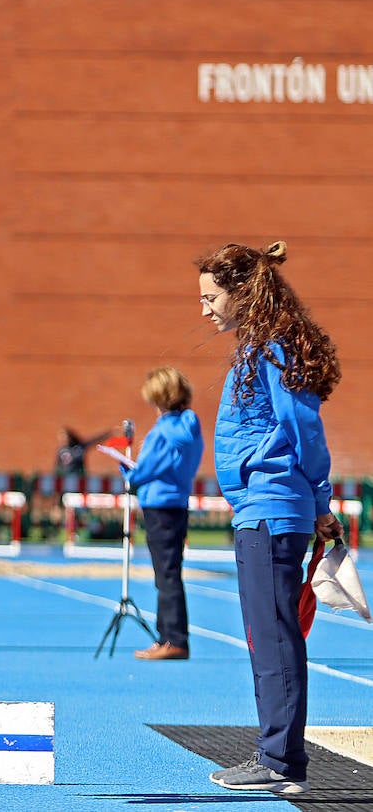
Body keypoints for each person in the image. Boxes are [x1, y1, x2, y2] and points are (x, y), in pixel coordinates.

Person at [197, 241, 342, 796]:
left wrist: (320, 502)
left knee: (273, 637)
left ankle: (279, 759)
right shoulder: (259, 348)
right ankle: (280, 756)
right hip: (264, 509)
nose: (205, 309)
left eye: (212, 297)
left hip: (272, 510)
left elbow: (305, 430)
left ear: (242, 292)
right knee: (271, 635)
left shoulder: (273, 348)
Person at [118, 366, 204, 661]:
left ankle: (174, 639)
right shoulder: (190, 426)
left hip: (159, 504)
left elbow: (147, 469)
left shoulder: (163, 431)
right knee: (169, 573)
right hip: (177, 502)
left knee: (165, 576)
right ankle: (168, 636)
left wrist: (129, 471)